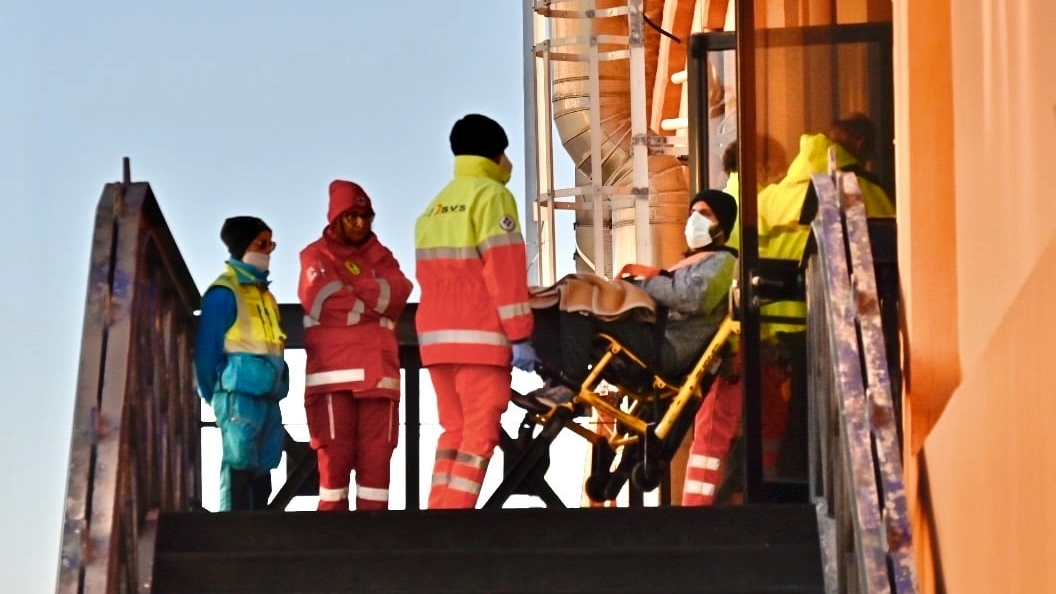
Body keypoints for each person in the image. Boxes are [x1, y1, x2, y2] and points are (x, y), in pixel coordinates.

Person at [757, 113, 895, 479]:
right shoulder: (865, 191)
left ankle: (793, 484)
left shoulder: (774, 195)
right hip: (836, 321)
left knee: (800, 413)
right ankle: (814, 484)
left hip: (779, 324)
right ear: (862, 146)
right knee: (836, 414)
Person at [414, 114, 537, 509]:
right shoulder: (492, 196)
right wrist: (520, 334)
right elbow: (504, 270)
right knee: (480, 436)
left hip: (436, 340)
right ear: (498, 153)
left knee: (453, 431)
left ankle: (438, 515)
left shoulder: (435, 207)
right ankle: (455, 521)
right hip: (480, 338)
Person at [526, 189, 739, 407]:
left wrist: (642, 284)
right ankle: (554, 378)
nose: (695, 220)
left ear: (721, 224)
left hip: (664, 346)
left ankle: (568, 386)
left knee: (579, 301)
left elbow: (692, 297)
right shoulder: (696, 261)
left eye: (704, 214)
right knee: (559, 298)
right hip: (651, 335)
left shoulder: (724, 261)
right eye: (692, 213)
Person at [298, 180, 413, 511]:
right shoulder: (315, 255)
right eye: (352, 216)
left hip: (380, 377)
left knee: (377, 465)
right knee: (334, 462)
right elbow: (323, 301)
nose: (360, 223)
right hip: (333, 378)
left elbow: (401, 289)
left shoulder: (381, 255)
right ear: (336, 218)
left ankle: (374, 545)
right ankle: (327, 545)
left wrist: (353, 288)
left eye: (366, 216)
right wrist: (374, 299)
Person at [195, 216, 288, 511]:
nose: (268, 250)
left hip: (268, 395)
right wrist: (215, 394)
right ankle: (233, 528)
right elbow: (206, 352)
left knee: (266, 461)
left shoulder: (266, 296)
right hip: (238, 394)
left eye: (270, 243)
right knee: (239, 460)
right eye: (262, 243)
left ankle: (258, 531)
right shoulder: (224, 292)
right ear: (242, 246)